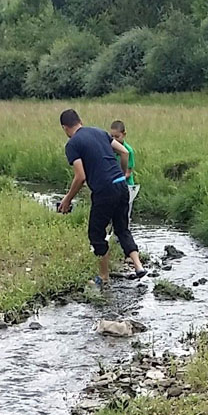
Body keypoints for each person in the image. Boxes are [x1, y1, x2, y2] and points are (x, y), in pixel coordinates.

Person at [57, 109, 147, 287]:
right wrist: (121, 175)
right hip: (122, 185)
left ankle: (104, 277)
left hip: (104, 191)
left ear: (64, 128)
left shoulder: (73, 144)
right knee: (122, 229)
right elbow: (125, 152)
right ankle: (138, 267)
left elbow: (80, 176)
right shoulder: (99, 132)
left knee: (96, 234)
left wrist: (67, 199)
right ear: (80, 121)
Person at [110, 119, 140, 223]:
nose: (114, 139)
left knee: (125, 214)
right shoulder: (110, 149)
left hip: (126, 185)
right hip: (113, 185)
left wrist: (115, 179)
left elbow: (128, 173)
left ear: (124, 134)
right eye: (111, 137)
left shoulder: (128, 151)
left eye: (117, 137)